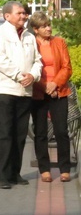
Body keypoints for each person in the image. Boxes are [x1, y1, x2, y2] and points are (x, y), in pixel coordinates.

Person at [0, 1, 42, 189]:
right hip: (5, 90)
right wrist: (20, 76)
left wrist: (33, 75)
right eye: (19, 13)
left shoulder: (29, 36)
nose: (24, 16)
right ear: (7, 16)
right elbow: (0, 60)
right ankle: (2, 175)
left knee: (19, 134)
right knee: (4, 134)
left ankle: (14, 173)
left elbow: (38, 60)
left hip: (24, 91)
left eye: (24, 13)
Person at [28, 12, 73, 183]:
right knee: (40, 133)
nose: (48, 28)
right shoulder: (30, 44)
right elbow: (29, 67)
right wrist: (45, 86)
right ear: (35, 29)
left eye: (49, 25)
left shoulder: (59, 42)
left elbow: (67, 67)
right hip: (39, 92)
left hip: (59, 91)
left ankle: (65, 168)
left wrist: (55, 84)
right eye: (44, 26)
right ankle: (44, 168)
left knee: (61, 131)